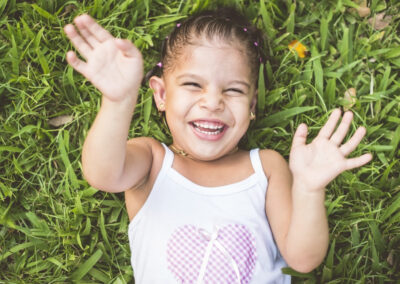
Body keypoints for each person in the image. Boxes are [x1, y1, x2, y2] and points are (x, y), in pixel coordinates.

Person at [64, 7, 372, 283]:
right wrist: (118, 101)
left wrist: (308, 190)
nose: (212, 102)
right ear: (161, 94)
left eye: (234, 90)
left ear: (251, 105)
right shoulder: (153, 161)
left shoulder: (266, 166)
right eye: (193, 84)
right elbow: (102, 175)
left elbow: (303, 260)